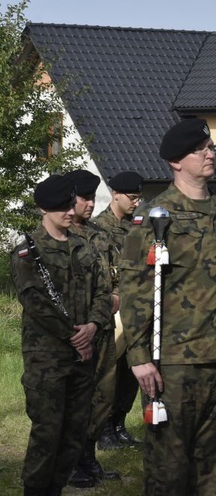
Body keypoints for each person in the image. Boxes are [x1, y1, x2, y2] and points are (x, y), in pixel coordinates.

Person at [119, 118, 216, 494]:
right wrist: (139, 356)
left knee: (214, 465)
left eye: (211, 147)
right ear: (177, 161)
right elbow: (135, 288)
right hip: (177, 361)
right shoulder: (157, 217)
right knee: (169, 467)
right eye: (202, 149)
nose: (211, 154)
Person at [11, 174, 110, 495]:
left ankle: (55, 488)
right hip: (48, 360)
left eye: (71, 204)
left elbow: (102, 292)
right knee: (47, 434)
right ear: (43, 208)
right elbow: (36, 302)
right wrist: (74, 336)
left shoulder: (85, 247)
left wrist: (93, 325)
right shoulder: (28, 251)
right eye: (62, 207)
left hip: (83, 358)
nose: (70, 211)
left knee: (74, 433)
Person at [66, 169, 121, 486]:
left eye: (91, 197)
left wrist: (117, 295)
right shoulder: (60, 236)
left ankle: (88, 457)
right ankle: (72, 462)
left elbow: (117, 277)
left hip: (102, 329)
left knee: (102, 397)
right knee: (76, 399)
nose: (90, 204)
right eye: (84, 198)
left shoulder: (100, 235)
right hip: (74, 333)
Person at [93, 170, 145, 450]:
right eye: (132, 197)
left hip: (136, 307)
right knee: (109, 372)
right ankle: (102, 429)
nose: (137, 202)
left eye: (139, 197)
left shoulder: (137, 227)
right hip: (114, 309)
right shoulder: (99, 228)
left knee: (131, 369)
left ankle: (119, 424)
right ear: (116, 195)